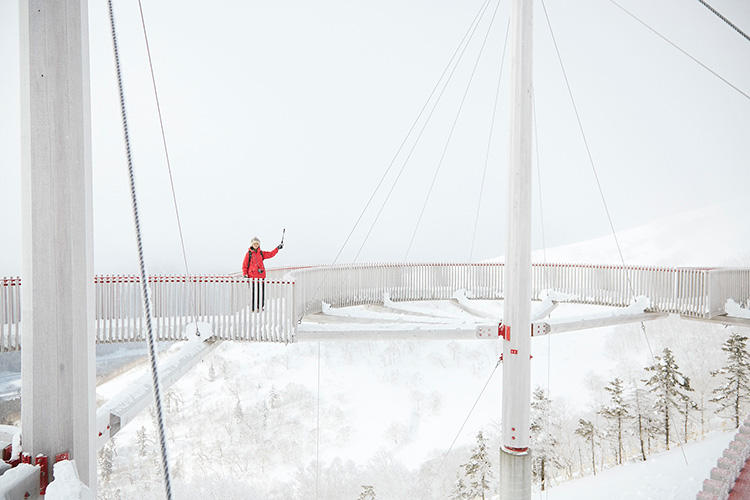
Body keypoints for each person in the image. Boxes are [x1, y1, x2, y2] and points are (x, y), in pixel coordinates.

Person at [242, 237, 282, 311]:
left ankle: (260, 307)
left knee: (261, 293)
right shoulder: (249, 254)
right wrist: (245, 274)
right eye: (254, 243)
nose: (256, 245)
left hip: (261, 277)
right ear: (252, 244)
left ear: (259, 244)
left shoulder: (261, 253)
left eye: (257, 243)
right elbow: (244, 265)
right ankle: (254, 308)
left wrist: (277, 248)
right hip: (252, 277)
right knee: (254, 293)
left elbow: (271, 254)